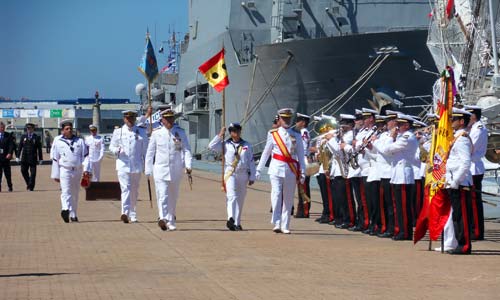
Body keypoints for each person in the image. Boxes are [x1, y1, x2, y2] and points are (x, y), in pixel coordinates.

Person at [256, 108, 306, 234]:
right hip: (276, 168)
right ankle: (277, 222)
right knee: (276, 195)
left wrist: (303, 171)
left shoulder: (296, 134)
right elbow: (266, 153)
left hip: (291, 169)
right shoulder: (273, 134)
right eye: (284, 118)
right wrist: (259, 169)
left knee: (288, 198)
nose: (287, 120)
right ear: (279, 119)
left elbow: (300, 154)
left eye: (288, 118)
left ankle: (285, 224)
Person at [145, 109, 192, 231]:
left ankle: (171, 220)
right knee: (163, 195)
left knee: (173, 196)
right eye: (167, 119)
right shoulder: (156, 133)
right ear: (162, 120)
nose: (170, 121)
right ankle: (163, 218)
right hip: (160, 169)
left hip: (175, 170)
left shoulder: (180, 133)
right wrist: (148, 169)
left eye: (171, 118)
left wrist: (188, 165)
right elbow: (150, 153)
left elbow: (186, 150)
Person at [208, 122, 255, 231]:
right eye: (234, 131)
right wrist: (220, 135)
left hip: (243, 173)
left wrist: (252, 176)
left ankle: (237, 223)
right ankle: (231, 218)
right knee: (231, 196)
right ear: (230, 132)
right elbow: (211, 146)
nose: (236, 133)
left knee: (241, 199)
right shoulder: (225, 144)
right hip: (230, 173)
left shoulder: (246, 145)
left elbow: (251, 161)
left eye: (238, 130)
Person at [109, 110, 149, 223]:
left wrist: (147, 166)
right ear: (124, 119)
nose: (129, 120)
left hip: (136, 165)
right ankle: (124, 213)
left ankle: (133, 213)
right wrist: (117, 150)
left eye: (131, 118)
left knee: (134, 190)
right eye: (127, 118)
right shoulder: (119, 131)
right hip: (123, 164)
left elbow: (146, 150)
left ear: (135, 119)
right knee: (125, 188)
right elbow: (112, 146)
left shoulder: (141, 131)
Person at [445, 108, 473, 254]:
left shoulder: (462, 139)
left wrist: (456, 180)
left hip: (460, 183)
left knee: (462, 216)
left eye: (453, 120)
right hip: (454, 181)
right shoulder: (457, 137)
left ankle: (465, 245)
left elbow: (465, 163)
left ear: (461, 122)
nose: (451, 122)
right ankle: (459, 243)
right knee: (457, 215)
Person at [50, 120, 91, 223]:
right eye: (67, 129)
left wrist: (86, 170)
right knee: (65, 191)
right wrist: (56, 174)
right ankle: (65, 209)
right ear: (62, 130)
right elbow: (55, 158)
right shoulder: (58, 142)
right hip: (65, 170)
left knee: (75, 193)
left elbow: (86, 156)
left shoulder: (79, 141)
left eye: (70, 128)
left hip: (77, 170)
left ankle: (73, 214)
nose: (69, 130)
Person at [464, 105, 488, 240]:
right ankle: (473, 228)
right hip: (470, 167)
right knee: (470, 201)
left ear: (474, 116)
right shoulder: (473, 128)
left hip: (474, 168)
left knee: (474, 202)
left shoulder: (478, 129)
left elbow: (470, 147)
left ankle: (477, 231)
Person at [294, 112, 311, 218]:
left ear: (303, 122)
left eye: (298, 121)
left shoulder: (303, 132)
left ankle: (304, 210)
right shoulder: (302, 132)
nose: (296, 123)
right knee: (301, 186)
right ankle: (302, 208)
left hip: (302, 160)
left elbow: (303, 147)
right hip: (301, 159)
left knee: (303, 186)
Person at [18, 123, 43, 191]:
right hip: (24, 158)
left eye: (30, 128)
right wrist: (17, 156)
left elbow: (39, 149)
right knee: (23, 171)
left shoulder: (36, 137)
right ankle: (29, 183)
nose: (28, 129)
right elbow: (20, 147)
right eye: (27, 128)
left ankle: (31, 187)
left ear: (33, 129)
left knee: (33, 174)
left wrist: (40, 158)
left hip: (33, 158)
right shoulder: (23, 136)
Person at [0, 122, 15, 192]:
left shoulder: (8, 135)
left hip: (6, 157)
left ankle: (10, 186)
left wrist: (10, 153)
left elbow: (11, 145)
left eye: (3, 127)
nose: (2, 129)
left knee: (7, 174)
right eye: (0, 127)